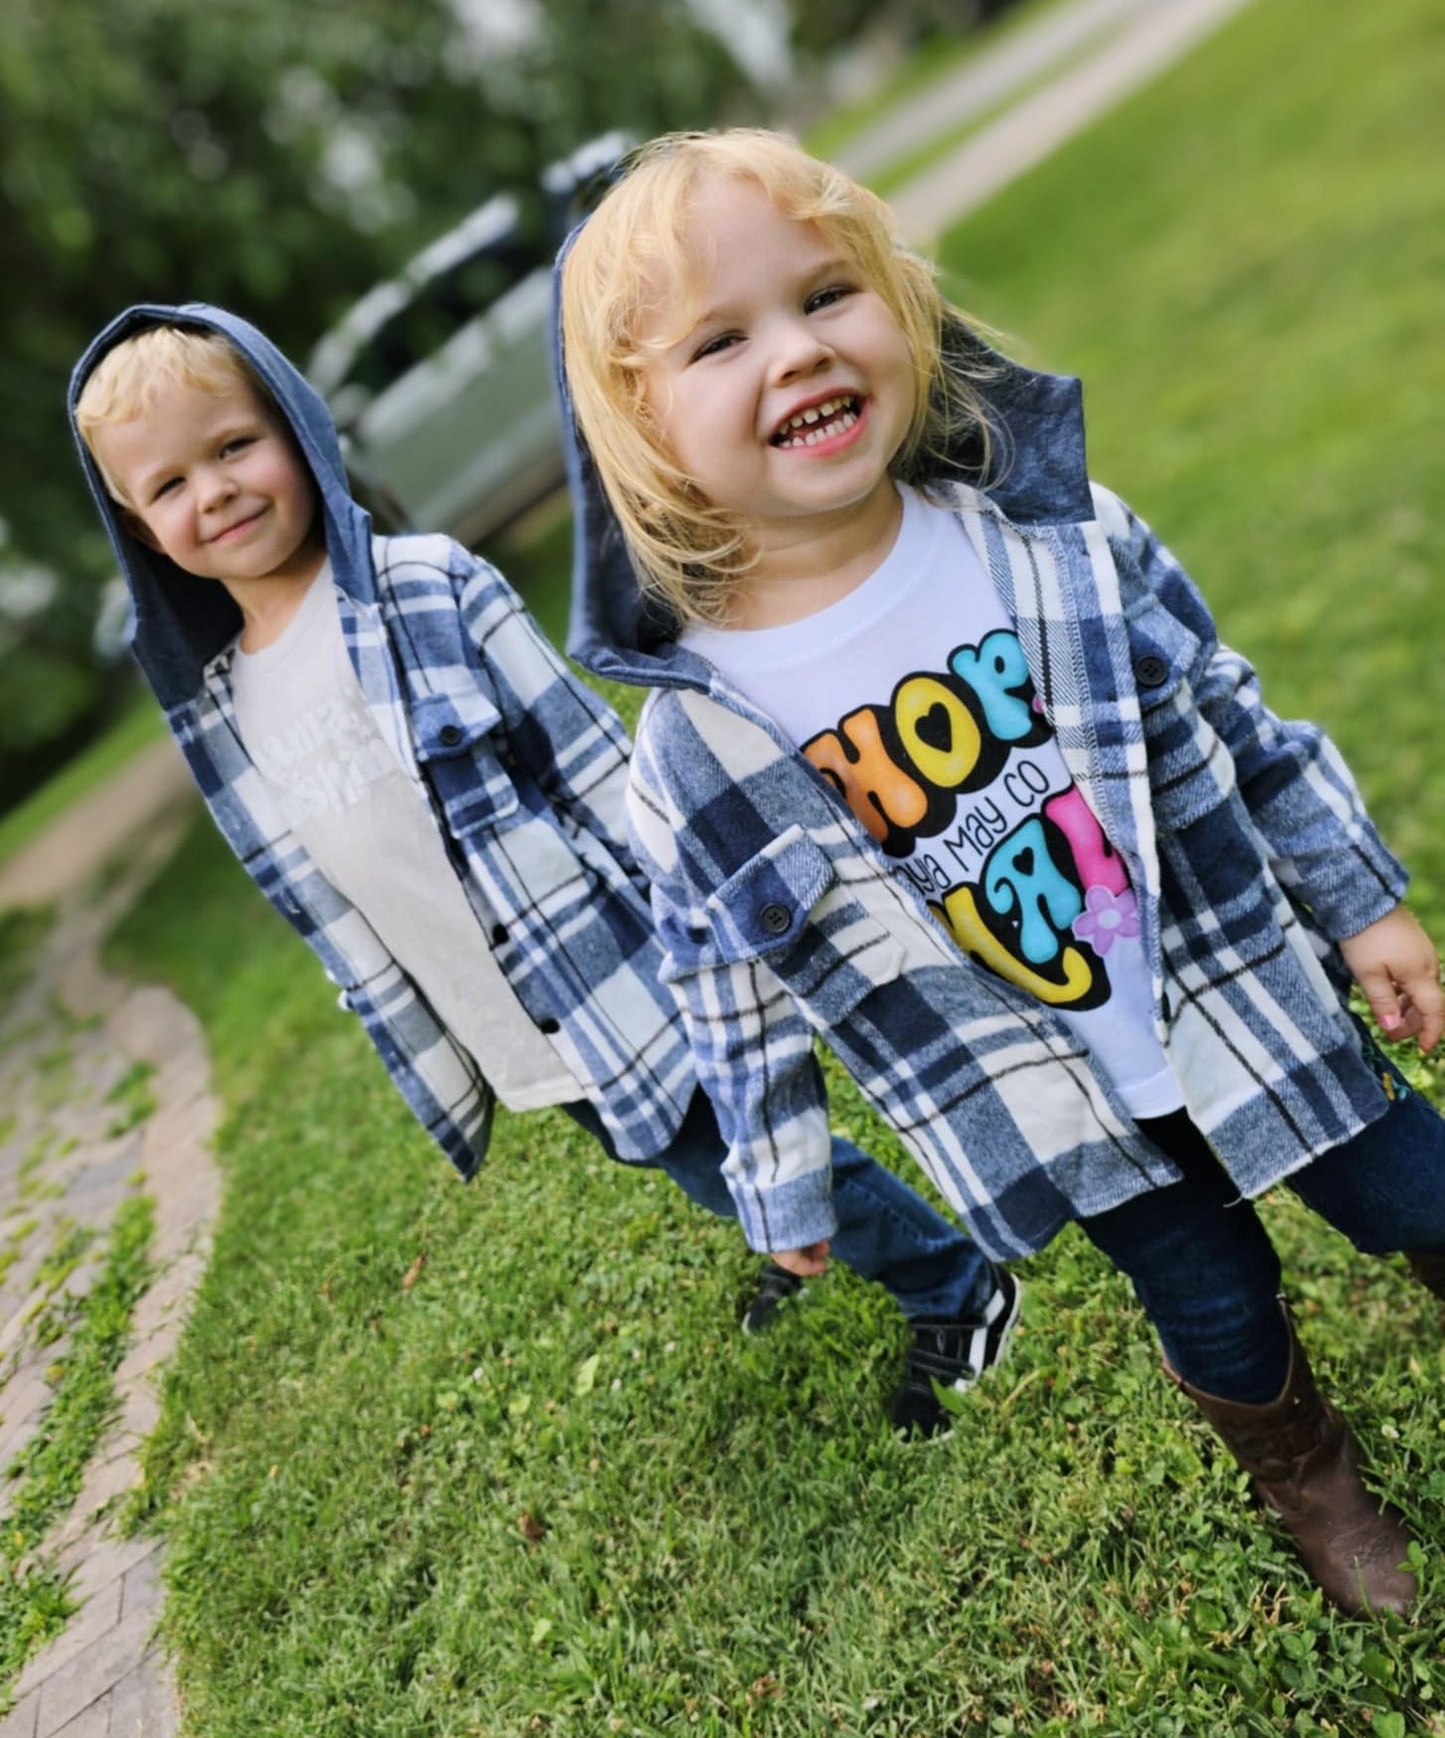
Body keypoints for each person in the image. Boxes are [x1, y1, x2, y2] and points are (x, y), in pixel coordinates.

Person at [556, 128, 1445, 1617]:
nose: (797, 350)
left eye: (825, 295)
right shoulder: (699, 743)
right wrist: (779, 1178)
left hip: (1236, 987)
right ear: (642, 433)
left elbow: (1230, 713)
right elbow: (725, 980)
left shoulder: (1050, 540)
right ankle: (1311, 1482)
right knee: (1212, 1300)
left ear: (901, 306)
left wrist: (1357, 903)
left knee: (1412, 1186)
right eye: (721, 339)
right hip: (1047, 1091)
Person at [68, 303, 1020, 1435]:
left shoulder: (424, 589)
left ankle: (952, 1283)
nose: (215, 492)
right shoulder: (223, 708)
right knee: (658, 1147)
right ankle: (789, 1231)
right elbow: (323, 899)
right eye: (169, 485)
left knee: (724, 1146)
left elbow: (593, 768)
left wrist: (698, 937)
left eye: (234, 446)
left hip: (613, 965)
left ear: (299, 431)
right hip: (506, 1016)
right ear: (139, 528)